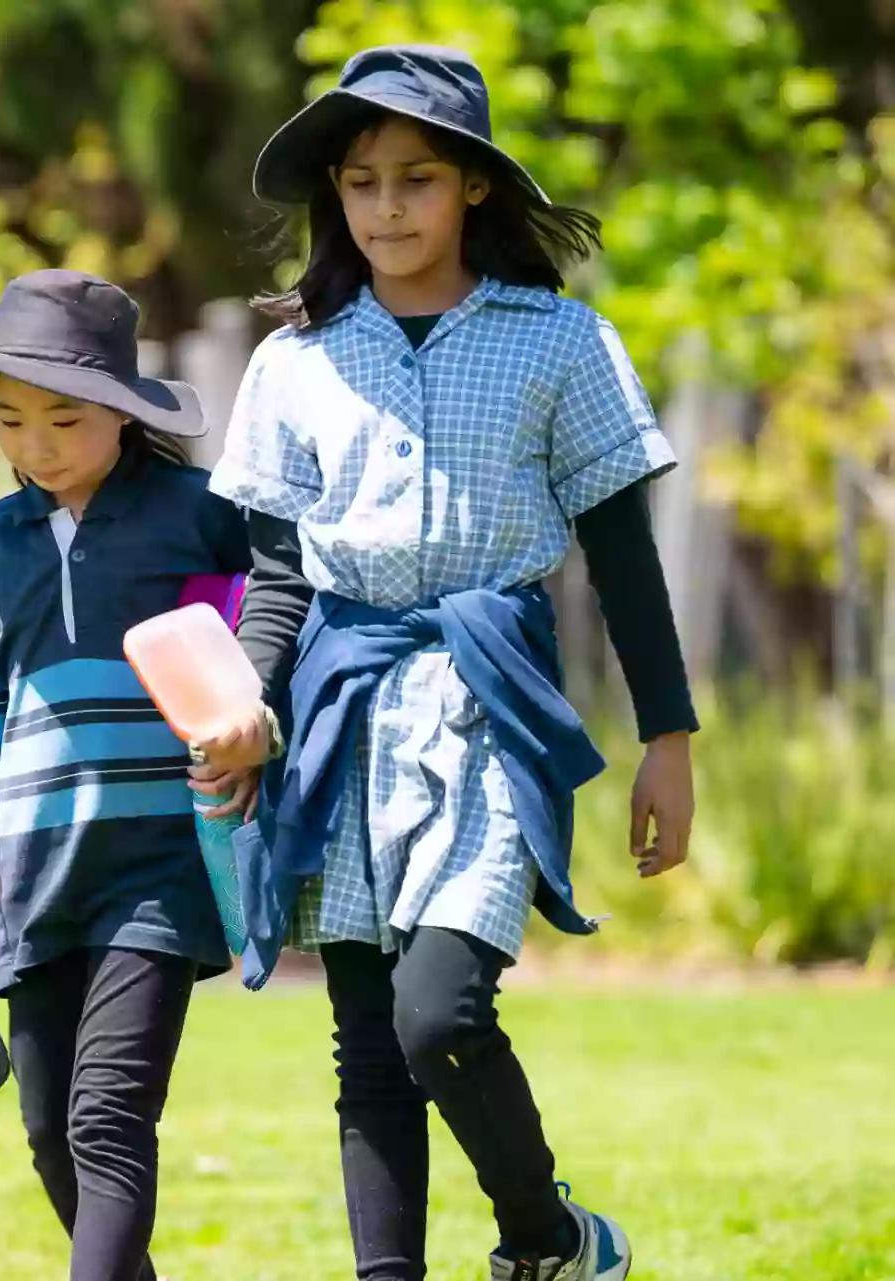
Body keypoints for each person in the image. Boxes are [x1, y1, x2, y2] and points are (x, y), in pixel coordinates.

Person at [202, 45, 700, 1281]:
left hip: (485, 704)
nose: (386, 209)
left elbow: (625, 566)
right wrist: (243, 708)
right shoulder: (294, 361)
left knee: (440, 1015)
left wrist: (670, 744)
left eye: (416, 179)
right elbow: (275, 578)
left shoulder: (561, 342)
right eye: (361, 184)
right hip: (340, 709)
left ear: (473, 186)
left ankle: (547, 1235)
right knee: (367, 1045)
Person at [0, 269, 255, 1281]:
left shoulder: (202, 517)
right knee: (50, 1134)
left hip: (160, 871)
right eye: (8, 422)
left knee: (106, 1118)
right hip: (42, 876)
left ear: (126, 417)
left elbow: (251, 657)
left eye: (62, 420)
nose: (34, 447)